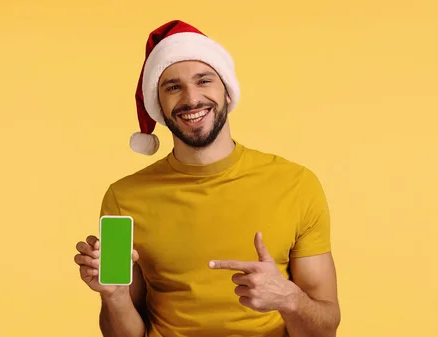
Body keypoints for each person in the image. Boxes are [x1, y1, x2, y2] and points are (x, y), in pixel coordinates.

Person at [74, 20, 341, 337]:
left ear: (227, 93)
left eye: (204, 81)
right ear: (158, 105)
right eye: (173, 87)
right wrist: (114, 297)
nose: (191, 98)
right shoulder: (125, 196)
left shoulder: (296, 184)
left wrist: (290, 299)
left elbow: (324, 329)